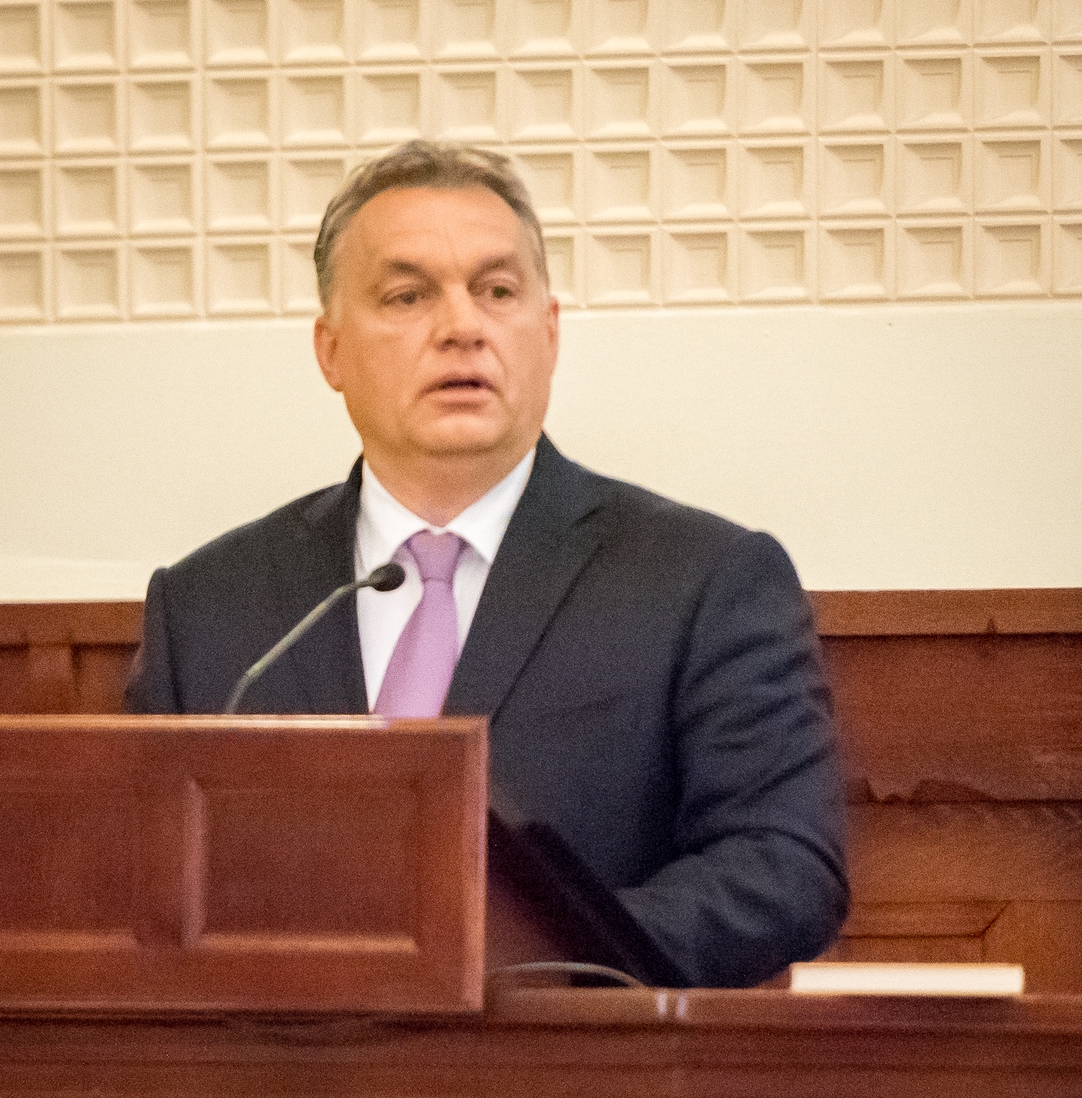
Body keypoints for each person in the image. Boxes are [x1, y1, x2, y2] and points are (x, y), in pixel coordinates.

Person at [125, 139, 848, 987]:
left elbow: (783, 867)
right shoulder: (208, 606)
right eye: (408, 295)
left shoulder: (703, 581)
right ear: (331, 350)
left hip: (571, 1058)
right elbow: (136, 879)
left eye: (497, 291)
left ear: (549, 332)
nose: (462, 327)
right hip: (277, 1061)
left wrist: (526, 957)